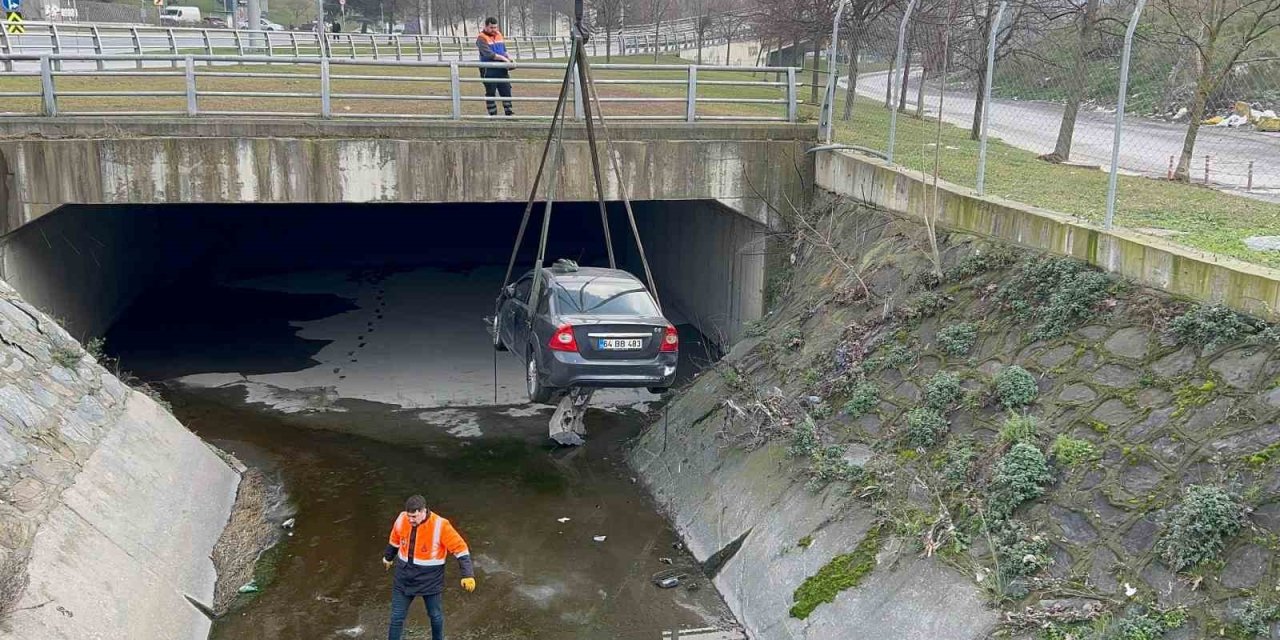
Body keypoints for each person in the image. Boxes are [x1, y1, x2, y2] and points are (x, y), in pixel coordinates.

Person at [383, 494, 475, 640]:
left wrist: (467, 574)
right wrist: (388, 557)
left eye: (414, 516)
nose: (410, 520)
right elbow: (395, 540)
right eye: (409, 516)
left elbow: (460, 549)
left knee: (435, 616)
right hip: (404, 578)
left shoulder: (440, 525)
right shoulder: (402, 519)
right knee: (396, 617)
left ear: (423, 511)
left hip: (430, 580)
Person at [475, 17, 515, 117]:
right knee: (490, 91)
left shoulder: (499, 35)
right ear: (486, 26)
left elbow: (504, 49)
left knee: (506, 89)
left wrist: (509, 58)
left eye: (495, 27)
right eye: (491, 27)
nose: (494, 30)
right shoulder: (481, 38)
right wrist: (503, 59)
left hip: (501, 68)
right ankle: (493, 114)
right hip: (488, 69)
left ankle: (509, 112)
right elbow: (489, 54)